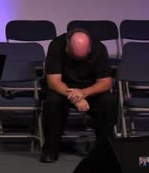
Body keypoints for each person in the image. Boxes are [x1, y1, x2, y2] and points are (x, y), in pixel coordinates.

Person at [40, 28, 118, 163]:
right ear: (68, 47)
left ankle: (103, 151)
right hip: (62, 89)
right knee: (52, 102)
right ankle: (50, 150)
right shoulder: (56, 46)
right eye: (74, 57)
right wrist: (75, 97)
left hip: (89, 89)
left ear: (89, 48)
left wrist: (83, 93)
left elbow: (105, 82)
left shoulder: (99, 48)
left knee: (109, 101)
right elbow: (53, 81)